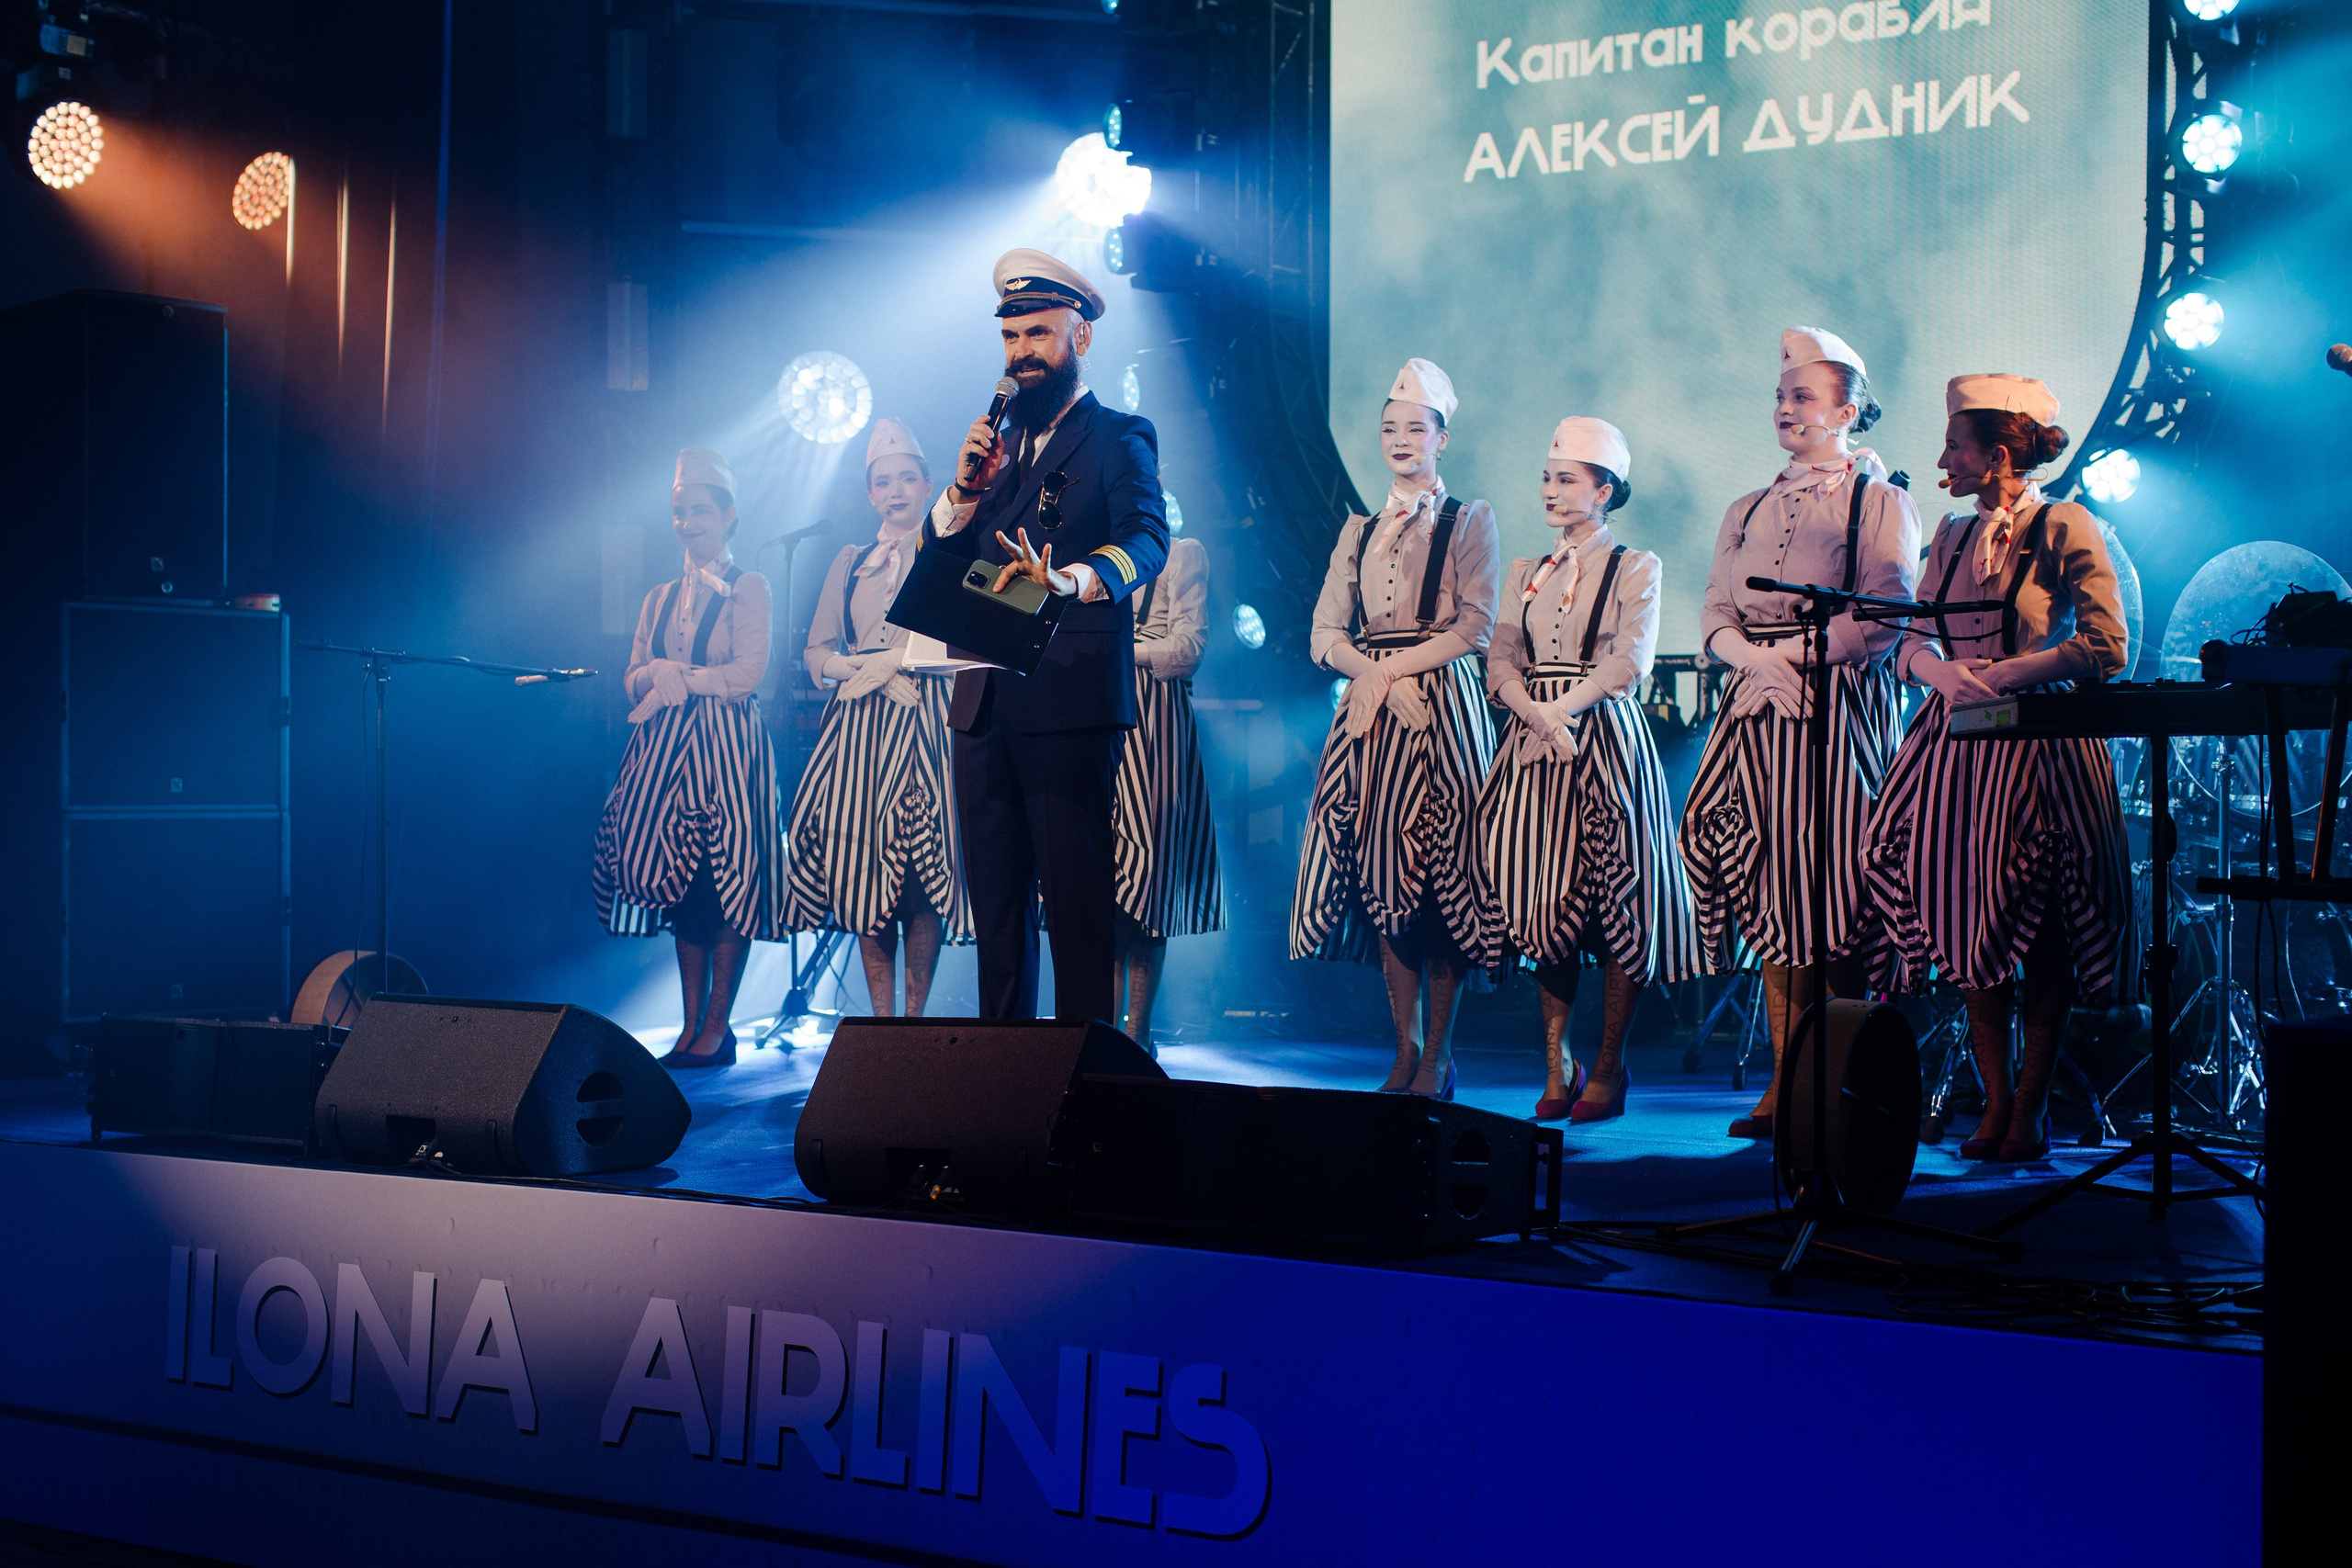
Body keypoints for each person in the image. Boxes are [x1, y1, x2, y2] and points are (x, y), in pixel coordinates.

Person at [1864, 375, 2133, 1160]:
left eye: (1956, 444)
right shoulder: (1947, 536)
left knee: (2044, 918)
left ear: (2001, 453)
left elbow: (2109, 646)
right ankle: (1995, 1098)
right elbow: (1908, 633)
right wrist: (1940, 672)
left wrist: (2011, 673)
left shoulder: (2064, 523)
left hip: (2042, 745)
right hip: (1958, 747)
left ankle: (2031, 1105)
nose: (1944, 457)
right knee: (1959, 907)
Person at [1679, 328, 1922, 1138]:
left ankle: (1839, 1080)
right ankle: (1789, 1079)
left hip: (1833, 714)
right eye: (1781, 395)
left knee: (1835, 892)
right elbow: (1715, 611)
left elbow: (1886, 617)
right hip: (1756, 712)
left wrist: (1793, 656)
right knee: (1770, 892)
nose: (1786, 408)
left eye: (1804, 396)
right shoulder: (1746, 505)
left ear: (1847, 411)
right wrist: (1755, 660)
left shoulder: (1877, 499)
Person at [924, 247, 1170, 1023]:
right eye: (1012, 338)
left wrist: (1070, 579)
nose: (1022, 353)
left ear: (1081, 338)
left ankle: (1085, 1083)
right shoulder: (992, 451)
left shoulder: (1119, 436)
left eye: (1039, 335)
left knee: (1075, 907)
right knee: (995, 915)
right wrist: (964, 490)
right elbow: (941, 565)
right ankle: (1004, 1087)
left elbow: (1147, 539)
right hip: (983, 701)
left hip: (1066, 698)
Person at [1477, 418, 1699, 1123]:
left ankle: (1608, 1064)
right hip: (1536, 742)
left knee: (1617, 897)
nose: (1550, 490)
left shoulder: (1638, 566)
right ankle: (1556, 1061)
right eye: (1547, 476)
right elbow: (1501, 661)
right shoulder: (1525, 572)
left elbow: (1629, 661)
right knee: (1539, 894)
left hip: (1602, 734)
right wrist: (1535, 714)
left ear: (1606, 490)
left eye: (1566, 478)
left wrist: (1561, 710)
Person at [1293, 358, 1502, 1100]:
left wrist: (1398, 671)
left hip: (1441, 706)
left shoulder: (1468, 519)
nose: (1400, 439)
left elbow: (1476, 626)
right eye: (1389, 428)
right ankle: (1404, 1045)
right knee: (1383, 879)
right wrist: (1373, 677)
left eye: (1416, 427)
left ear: (1444, 437)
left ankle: (1440, 1053)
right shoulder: (1359, 529)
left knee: (1442, 883)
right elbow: (1323, 632)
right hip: (1373, 712)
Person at [593, 447, 786, 1067]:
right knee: (680, 890)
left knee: (724, 882)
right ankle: (689, 1024)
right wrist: (655, 671)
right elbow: (628, 678)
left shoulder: (748, 587)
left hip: (727, 753)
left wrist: (686, 678)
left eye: (699, 510)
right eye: (679, 511)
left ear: (729, 516)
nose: (687, 521)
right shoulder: (655, 598)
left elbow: (749, 674)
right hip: (663, 754)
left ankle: (718, 1026)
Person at [784, 417, 972, 1017]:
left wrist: (902, 659)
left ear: (926, 484)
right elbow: (816, 651)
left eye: (907, 478)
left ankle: (914, 1023)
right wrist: (858, 669)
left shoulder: (953, 555)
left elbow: (975, 646)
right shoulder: (850, 561)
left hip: (929, 717)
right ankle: (881, 1023)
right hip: (860, 726)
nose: (895, 490)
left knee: (922, 870)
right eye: (883, 481)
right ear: (870, 492)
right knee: (866, 868)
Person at [1111, 530, 1226, 1053]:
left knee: (1149, 877)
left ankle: (1139, 1032)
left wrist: (1117, 650)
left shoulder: (1181, 553)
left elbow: (1188, 648)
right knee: (1097, 886)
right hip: (1092, 719)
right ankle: (1100, 1031)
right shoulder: (1079, 559)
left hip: (1153, 723)